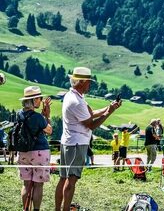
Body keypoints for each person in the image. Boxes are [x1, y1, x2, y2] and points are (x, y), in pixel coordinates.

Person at [55, 67, 121, 211]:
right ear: (81, 82)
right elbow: (91, 124)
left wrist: (108, 108)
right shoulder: (77, 102)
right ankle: (65, 209)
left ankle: (57, 209)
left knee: (63, 178)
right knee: (71, 180)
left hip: (68, 141)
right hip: (77, 144)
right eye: (88, 82)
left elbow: (90, 113)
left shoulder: (72, 96)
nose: (90, 85)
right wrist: (109, 113)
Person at [16, 86, 53, 211]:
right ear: (34, 100)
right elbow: (49, 130)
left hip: (23, 152)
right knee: (38, 184)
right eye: (40, 98)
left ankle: (25, 209)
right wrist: (47, 116)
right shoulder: (38, 117)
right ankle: (36, 209)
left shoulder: (19, 114)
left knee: (26, 184)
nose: (41, 101)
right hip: (40, 152)